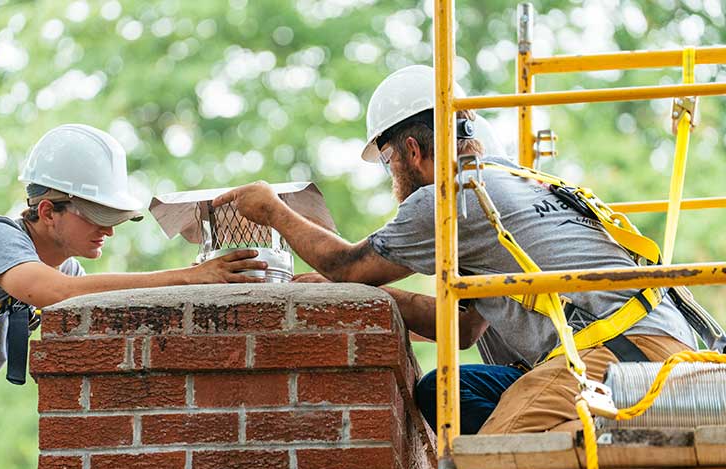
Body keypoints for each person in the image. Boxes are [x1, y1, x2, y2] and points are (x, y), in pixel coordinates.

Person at [212, 64, 698, 435]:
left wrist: (271, 209)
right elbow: (464, 328)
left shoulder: (448, 198)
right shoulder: (506, 187)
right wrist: (369, 298)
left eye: (387, 161)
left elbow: (347, 266)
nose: (391, 175)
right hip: (658, 347)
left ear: (412, 150)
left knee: (499, 460)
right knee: (446, 392)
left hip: (618, 358)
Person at [0, 123, 266, 421]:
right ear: (49, 212)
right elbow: (53, 292)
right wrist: (187, 276)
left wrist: (198, 285)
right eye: (97, 217)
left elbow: (115, 304)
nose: (109, 231)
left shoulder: (68, 272)